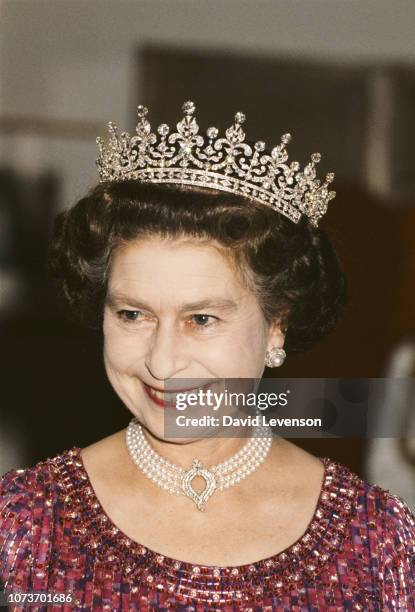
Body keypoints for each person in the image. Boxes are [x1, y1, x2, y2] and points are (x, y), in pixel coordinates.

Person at [0, 101, 414, 611]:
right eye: (133, 314)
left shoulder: (374, 537)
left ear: (277, 324)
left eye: (201, 319)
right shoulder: (24, 521)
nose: (163, 362)